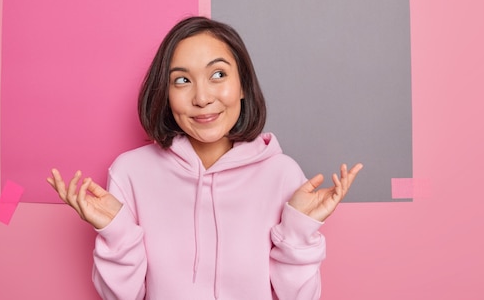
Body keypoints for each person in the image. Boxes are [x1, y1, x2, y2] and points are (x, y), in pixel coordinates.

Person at [47, 16, 363, 300]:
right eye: (182, 80)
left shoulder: (282, 174)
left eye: (218, 75)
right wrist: (117, 233)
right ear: (165, 94)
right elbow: (121, 297)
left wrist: (298, 232)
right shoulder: (130, 173)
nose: (201, 98)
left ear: (242, 86)